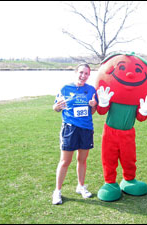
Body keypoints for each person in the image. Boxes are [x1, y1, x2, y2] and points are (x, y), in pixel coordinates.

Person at [52, 63, 97, 205]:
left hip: (86, 129)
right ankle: (57, 192)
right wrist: (57, 107)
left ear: (89, 75)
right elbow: (56, 107)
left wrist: (93, 105)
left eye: (86, 74)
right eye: (81, 72)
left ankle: (81, 186)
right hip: (70, 128)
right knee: (65, 161)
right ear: (76, 72)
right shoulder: (65, 88)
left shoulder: (91, 90)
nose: (83, 76)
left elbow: (93, 111)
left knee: (82, 160)